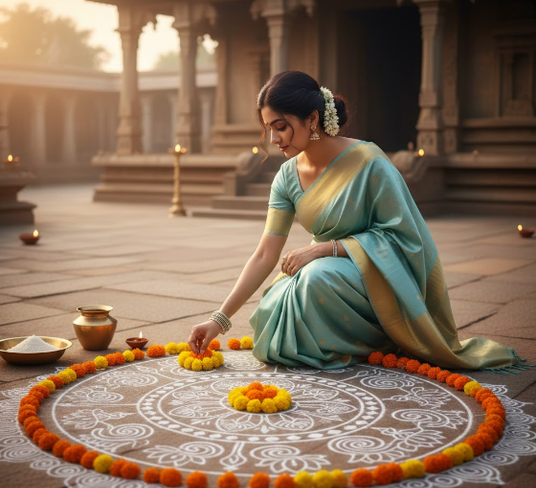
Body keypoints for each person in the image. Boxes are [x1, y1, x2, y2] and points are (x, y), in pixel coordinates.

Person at [188, 70, 522, 372]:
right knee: (276, 304)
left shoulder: (369, 162)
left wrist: (324, 249)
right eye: (268, 129)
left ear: (313, 119)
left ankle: (380, 335)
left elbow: (403, 236)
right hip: (324, 276)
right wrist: (219, 320)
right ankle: (337, 336)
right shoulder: (287, 177)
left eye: (280, 126)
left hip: (376, 277)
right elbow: (264, 254)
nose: (274, 139)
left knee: (313, 279)